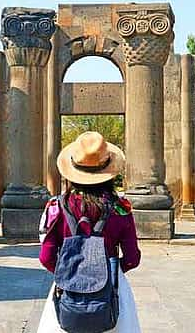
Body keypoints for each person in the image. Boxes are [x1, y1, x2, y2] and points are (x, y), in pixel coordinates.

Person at [37, 131, 142, 333]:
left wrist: (71, 271)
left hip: (69, 290)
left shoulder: (55, 207)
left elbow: (46, 257)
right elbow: (132, 258)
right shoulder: (121, 208)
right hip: (111, 291)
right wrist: (108, 269)